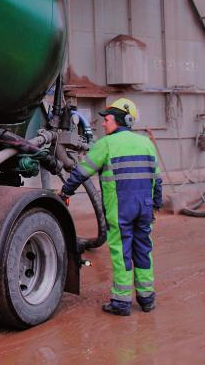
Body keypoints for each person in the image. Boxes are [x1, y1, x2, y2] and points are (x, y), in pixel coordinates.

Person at [61, 98, 162, 316]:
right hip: (144, 208)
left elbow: (81, 172)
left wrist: (66, 191)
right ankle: (147, 299)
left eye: (106, 119)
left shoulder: (106, 144)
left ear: (119, 120)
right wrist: (156, 206)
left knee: (121, 252)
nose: (103, 124)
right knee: (144, 250)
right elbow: (157, 180)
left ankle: (121, 302)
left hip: (121, 208)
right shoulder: (146, 143)